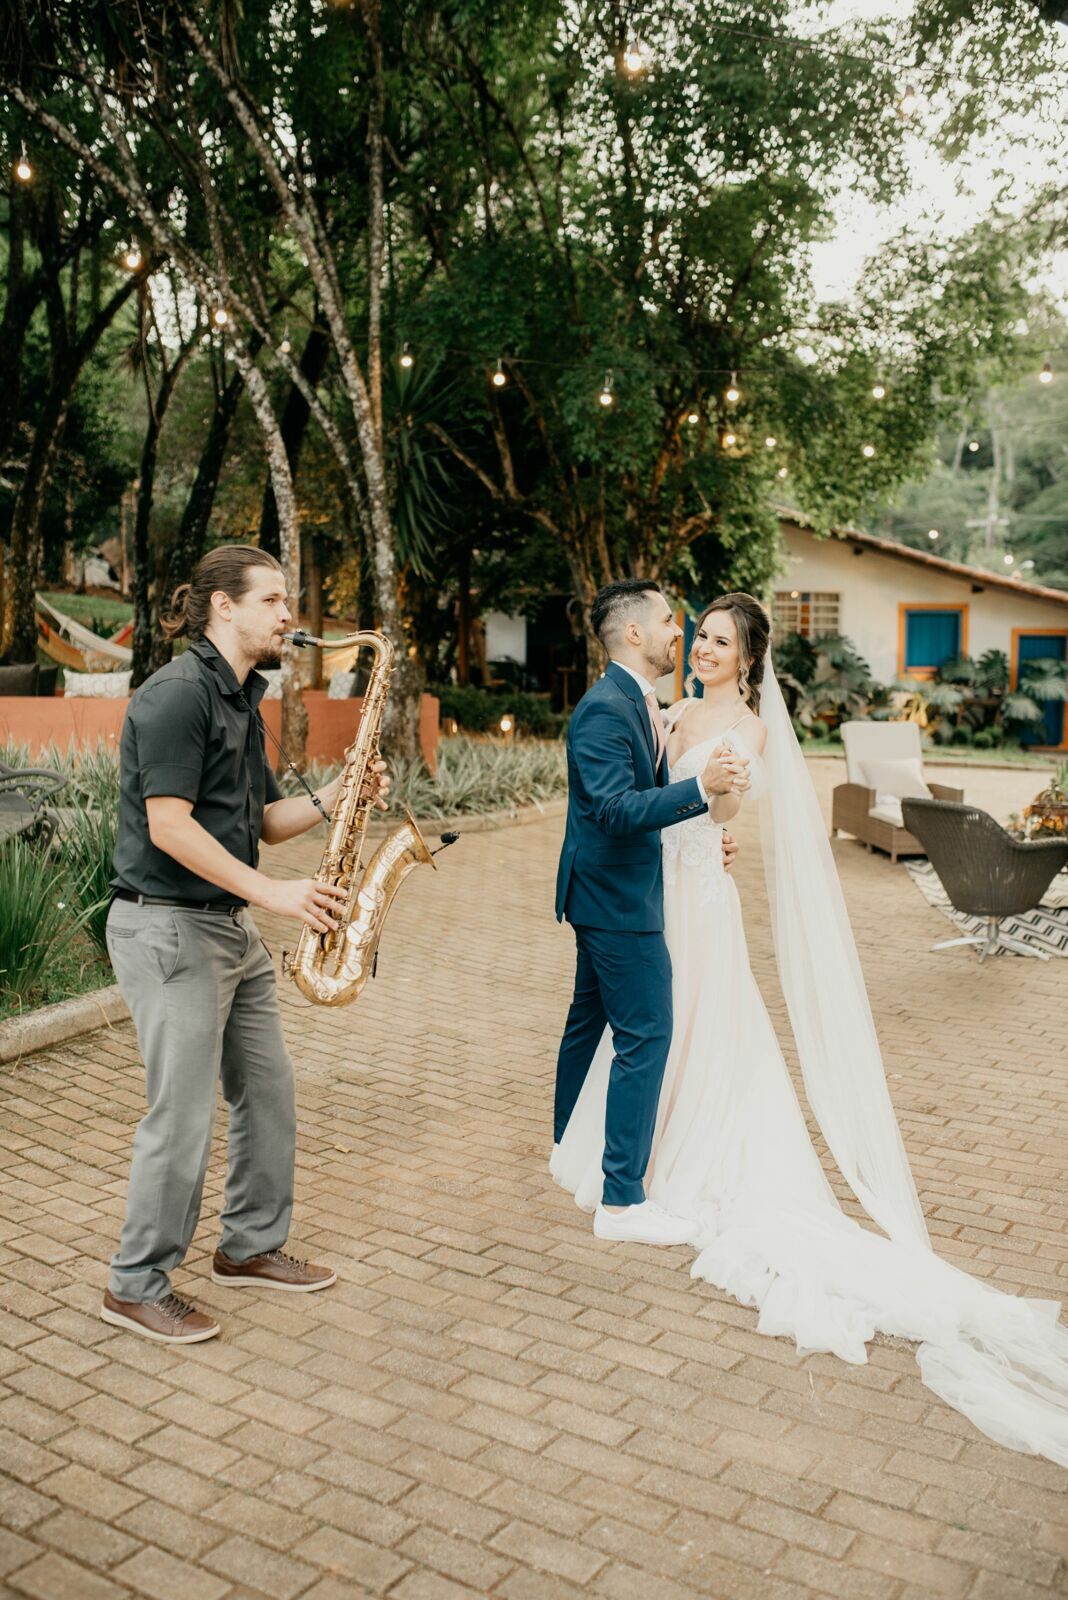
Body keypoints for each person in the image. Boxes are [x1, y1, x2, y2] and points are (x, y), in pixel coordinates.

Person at [552, 591, 1068, 1467]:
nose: (702, 647)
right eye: (697, 636)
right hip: (645, 890)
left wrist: (712, 820)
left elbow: (720, 814)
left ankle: (642, 1170)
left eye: (718, 641)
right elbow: (637, 791)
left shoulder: (744, 730)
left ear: (748, 660)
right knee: (624, 1026)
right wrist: (691, 804)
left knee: (676, 1028)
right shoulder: (659, 708)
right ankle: (615, 1156)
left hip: (688, 894)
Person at [101, 545, 388, 1345]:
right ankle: (135, 1283)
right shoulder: (175, 697)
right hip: (167, 927)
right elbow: (168, 825)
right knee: (182, 1115)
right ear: (223, 606)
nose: (288, 615)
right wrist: (276, 894)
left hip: (228, 927)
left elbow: (258, 819)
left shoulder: (240, 699)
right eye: (272, 600)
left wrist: (337, 796)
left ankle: (249, 1247)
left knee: (268, 1093)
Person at [553, 580, 744, 1246]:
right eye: (669, 620)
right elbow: (612, 809)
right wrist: (701, 791)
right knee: (646, 1032)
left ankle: (566, 1151)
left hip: (612, 886)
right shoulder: (607, 709)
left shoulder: (640, 703)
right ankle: (623, 1200)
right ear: (634, 633)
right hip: (617, 897)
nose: (679, 632)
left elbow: (645, 796)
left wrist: (704, 826)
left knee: (590, 1023)